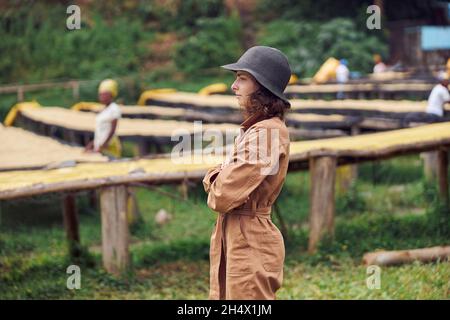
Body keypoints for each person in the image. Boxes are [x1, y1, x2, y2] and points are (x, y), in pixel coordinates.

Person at [202, 46, 291, 300]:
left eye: (242, 78)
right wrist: (220, 174)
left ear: (261, 88)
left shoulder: (267, 132)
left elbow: (222, 194)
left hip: (250, 238)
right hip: (235, 233)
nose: (234, 86)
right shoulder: (256, 130)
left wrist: (212, 177)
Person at [85, 79, 122, 158]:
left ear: (111, 95)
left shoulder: (114, 109)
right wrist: (92, 144)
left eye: (104, 95)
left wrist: (104, 145)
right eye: (100, 95)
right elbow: (100, 131)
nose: (101, 97)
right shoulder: (104, 110)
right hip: (100, 145)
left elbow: (112, 130)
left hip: (109, 146)